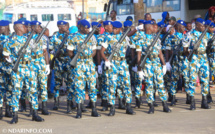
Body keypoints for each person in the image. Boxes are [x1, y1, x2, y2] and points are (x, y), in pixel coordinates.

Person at [4, 20, 41, 124]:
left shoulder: (29, 39)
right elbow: (6, 54)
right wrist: (13, 61)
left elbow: (36, 51)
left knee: (33, 90)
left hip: (29, 67)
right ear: (19, 27)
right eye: (25, 26)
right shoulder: (10, 41)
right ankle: (15, 116)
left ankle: (35, 114)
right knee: (16, 91)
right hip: (18, 68)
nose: (27, 28)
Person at [100, 21, 136, 116]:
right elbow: (102, 51)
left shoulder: (125, 37)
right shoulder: (108, 37)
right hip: (113, 63)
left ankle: (128, 106)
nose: (114, 30)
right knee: (112, 86)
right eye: (113, 28)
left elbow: (133, 46)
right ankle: (112, 108)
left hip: (123, 63)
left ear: (120, 29)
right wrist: (106, 60)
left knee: (127, 85)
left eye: (116, 29)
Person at [67, 19, 101, 119]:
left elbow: (94, 50)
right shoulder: (72, 37)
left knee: (92, 87)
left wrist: (89, 56)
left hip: (89, 63)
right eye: (85, 28)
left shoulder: (92, 37)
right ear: (80, 27)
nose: (87, 30)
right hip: (79, 64)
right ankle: (78, 110)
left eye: (88, 28)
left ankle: (94, 109)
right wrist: (77, 58)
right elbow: (69, 52)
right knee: (79, 87)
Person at [136, 20, 171, 114]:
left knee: (160, 84)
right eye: (153, 26)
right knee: (149, 85)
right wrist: (139, 69)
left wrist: (164, 64)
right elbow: (139, 54)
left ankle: (165, 105)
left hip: (156, 63)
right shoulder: (141, 38)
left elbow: (159, 52)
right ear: (148, 28)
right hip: (147, 63)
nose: (155, 28)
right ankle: (151, 106)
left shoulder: (156, 37)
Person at [183, 18, 211, 110]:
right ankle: (192, 102)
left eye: (204, 26)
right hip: (194, 58)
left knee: (205, 80)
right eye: (202, 26)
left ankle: (204, 101)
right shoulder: (189, 34)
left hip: (203, 57)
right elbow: (185, 49)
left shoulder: (206, 35)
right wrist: (191, 54)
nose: (203, 27)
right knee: (192, 80)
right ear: (197, 26)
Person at [49, 20, 74, 112]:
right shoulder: (54, 37)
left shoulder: (70, 36)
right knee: (57, 84)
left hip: (68, 61)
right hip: (58, 62)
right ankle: (56, 103)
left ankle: (70, 103)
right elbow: (50, 49)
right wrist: (55, 53)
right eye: (63, 26)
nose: (65, 28)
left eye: (66, 26)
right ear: (59, 27)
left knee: (69, 83)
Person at [30, 21, 51, 115]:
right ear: (33, 27)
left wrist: (47, 65)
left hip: (41, 63)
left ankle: (44, 107)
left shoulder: (42, 38)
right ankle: (33, 108)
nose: (40, 29)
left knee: (43, 85)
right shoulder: (27, 38)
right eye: (38, 27)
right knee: (32, 87)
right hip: (31, 63)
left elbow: (45, 52)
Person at [165, 20, 186, 106]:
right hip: (176, 60)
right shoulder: (172, 37)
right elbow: (167, 50)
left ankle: (189, 98)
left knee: (187, 79)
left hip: (185, 60)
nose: (183, 28)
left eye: (184, 26)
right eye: (182, 26)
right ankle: (173, 98)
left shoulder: (186, 36)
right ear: (177, 27)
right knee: (174, 79)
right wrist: (167, 63)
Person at [0, 20, 13, 120]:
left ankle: (8, 110)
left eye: (2, 27)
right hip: (1, 67)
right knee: (0, 89)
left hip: (11, 67)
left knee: (10, 88)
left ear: (7, 27)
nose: (0, 29)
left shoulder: (13, 38)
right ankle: (0, 111)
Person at [206, 20, 215, 104]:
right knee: (207, 79)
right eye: (211, 27)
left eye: (213, 27)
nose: (213, 28)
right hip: (208, 58)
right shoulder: (205, 35)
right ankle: (208, 96)